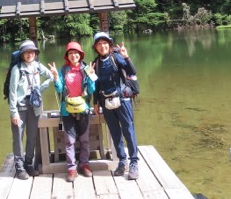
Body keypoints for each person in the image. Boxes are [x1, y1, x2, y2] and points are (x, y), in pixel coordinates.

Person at [92, 31, 140, 180]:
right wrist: (95, 102)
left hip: (122, 100)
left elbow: (132, 71)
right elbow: (96, 84)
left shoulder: (116, 57)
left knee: (128, 130)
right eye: (99, 44)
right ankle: (122, 161)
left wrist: (126, 57)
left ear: (109, 44)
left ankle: (133, 163)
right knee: (115, 132)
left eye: (105, 43)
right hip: (106, 102)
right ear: (96, 47)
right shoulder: (96, 63)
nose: (102, 46)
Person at [48, 42, 96, 182]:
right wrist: (56, 77)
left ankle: (85, 164)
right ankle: (71, 168)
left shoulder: (87, 69)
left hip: (84, 108)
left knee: (84, 140)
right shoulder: (63, 70)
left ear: (80, 55)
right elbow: (59, 89)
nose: (73, 55)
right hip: (66, 110)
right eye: (70, 53)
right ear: (67, 56)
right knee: (69, 141)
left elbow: (92, 90)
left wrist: (92, 77)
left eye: (76, 53)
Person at [8, 39, 53, 179]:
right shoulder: (17, 69)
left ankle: (28, 163)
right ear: (22, 55)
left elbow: (50, 77)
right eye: (26, 52)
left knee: (32, 136)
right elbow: (12, 92)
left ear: (35, 53)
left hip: (35, 106)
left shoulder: (38, 66)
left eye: (31, 52)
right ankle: (19, 167)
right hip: (20, 107)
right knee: (18, 138)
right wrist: (13, 112)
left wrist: (40, 88)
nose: (29, 54)